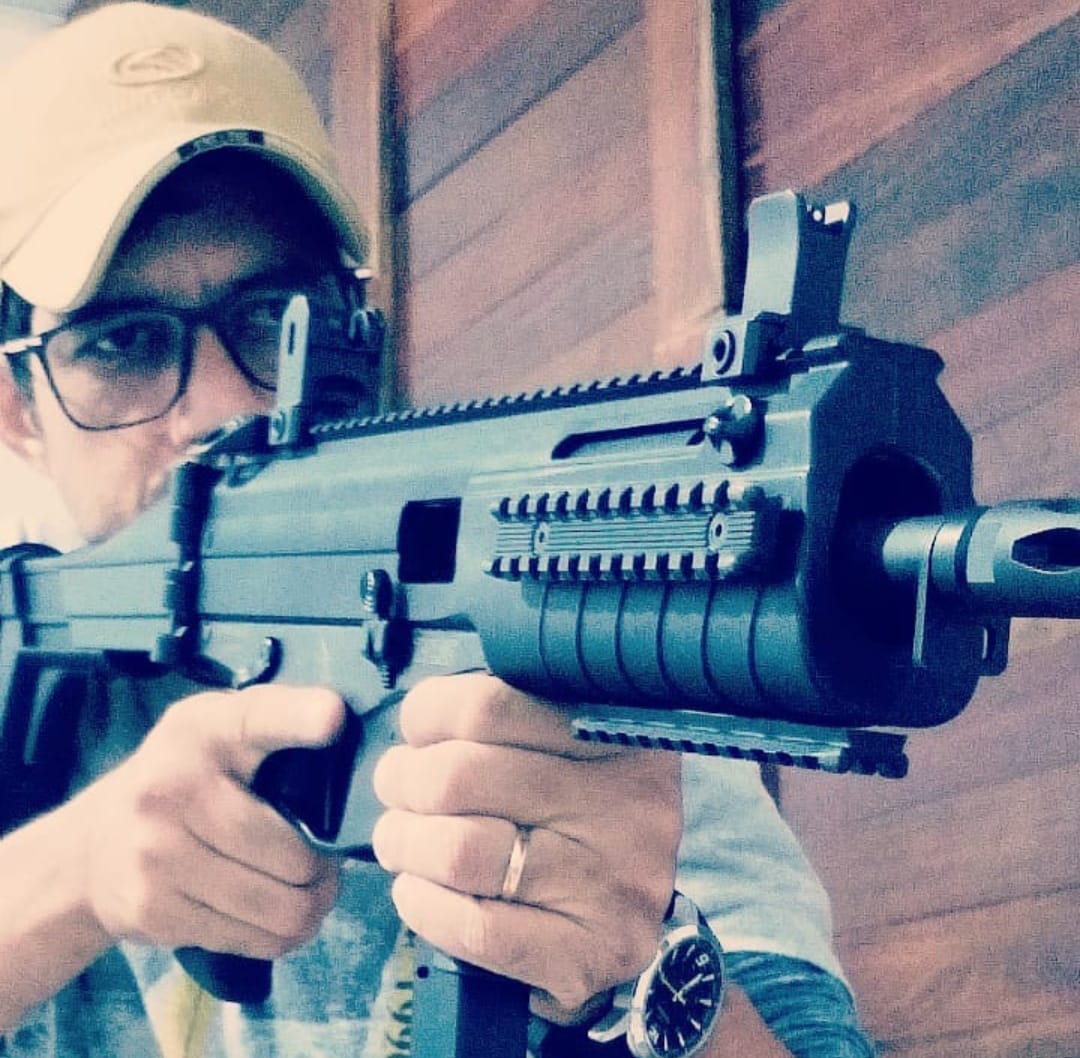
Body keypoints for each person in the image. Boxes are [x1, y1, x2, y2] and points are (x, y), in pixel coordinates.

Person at [0, 5, 875, 1057]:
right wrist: (73, 875)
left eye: (274, 319)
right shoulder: (27, 683)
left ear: (353, 337)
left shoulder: (571, 646)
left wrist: (636, 971)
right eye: (122, 343)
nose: (220, 406)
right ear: (17, 409)